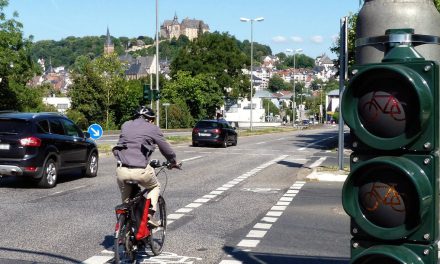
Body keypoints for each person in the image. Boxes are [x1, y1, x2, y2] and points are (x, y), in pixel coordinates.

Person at [113, 106, 178, 226]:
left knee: (127, 204)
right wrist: (173, 161)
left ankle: (124, 231)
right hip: (140, 171)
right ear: (149, 119)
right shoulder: (152, 128)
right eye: (152, 120)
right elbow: (166, 149)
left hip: (121, 170)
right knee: (155, 186)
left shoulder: (125, 125)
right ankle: (149, 214)